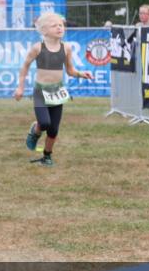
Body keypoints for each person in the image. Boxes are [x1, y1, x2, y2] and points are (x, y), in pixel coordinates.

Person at [13, 12, 94, 167]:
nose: (59, 27)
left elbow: (70, 70)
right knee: (44, 123)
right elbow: (24, 67)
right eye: (54, 25)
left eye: (61, 25)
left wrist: (81, 74)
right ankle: (35, 130)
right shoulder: (37, 48)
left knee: (53, 129)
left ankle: (47, 156)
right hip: (40, 91)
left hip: (58, 92)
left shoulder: (67, 48)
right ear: (44, 30)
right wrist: (20, 88)